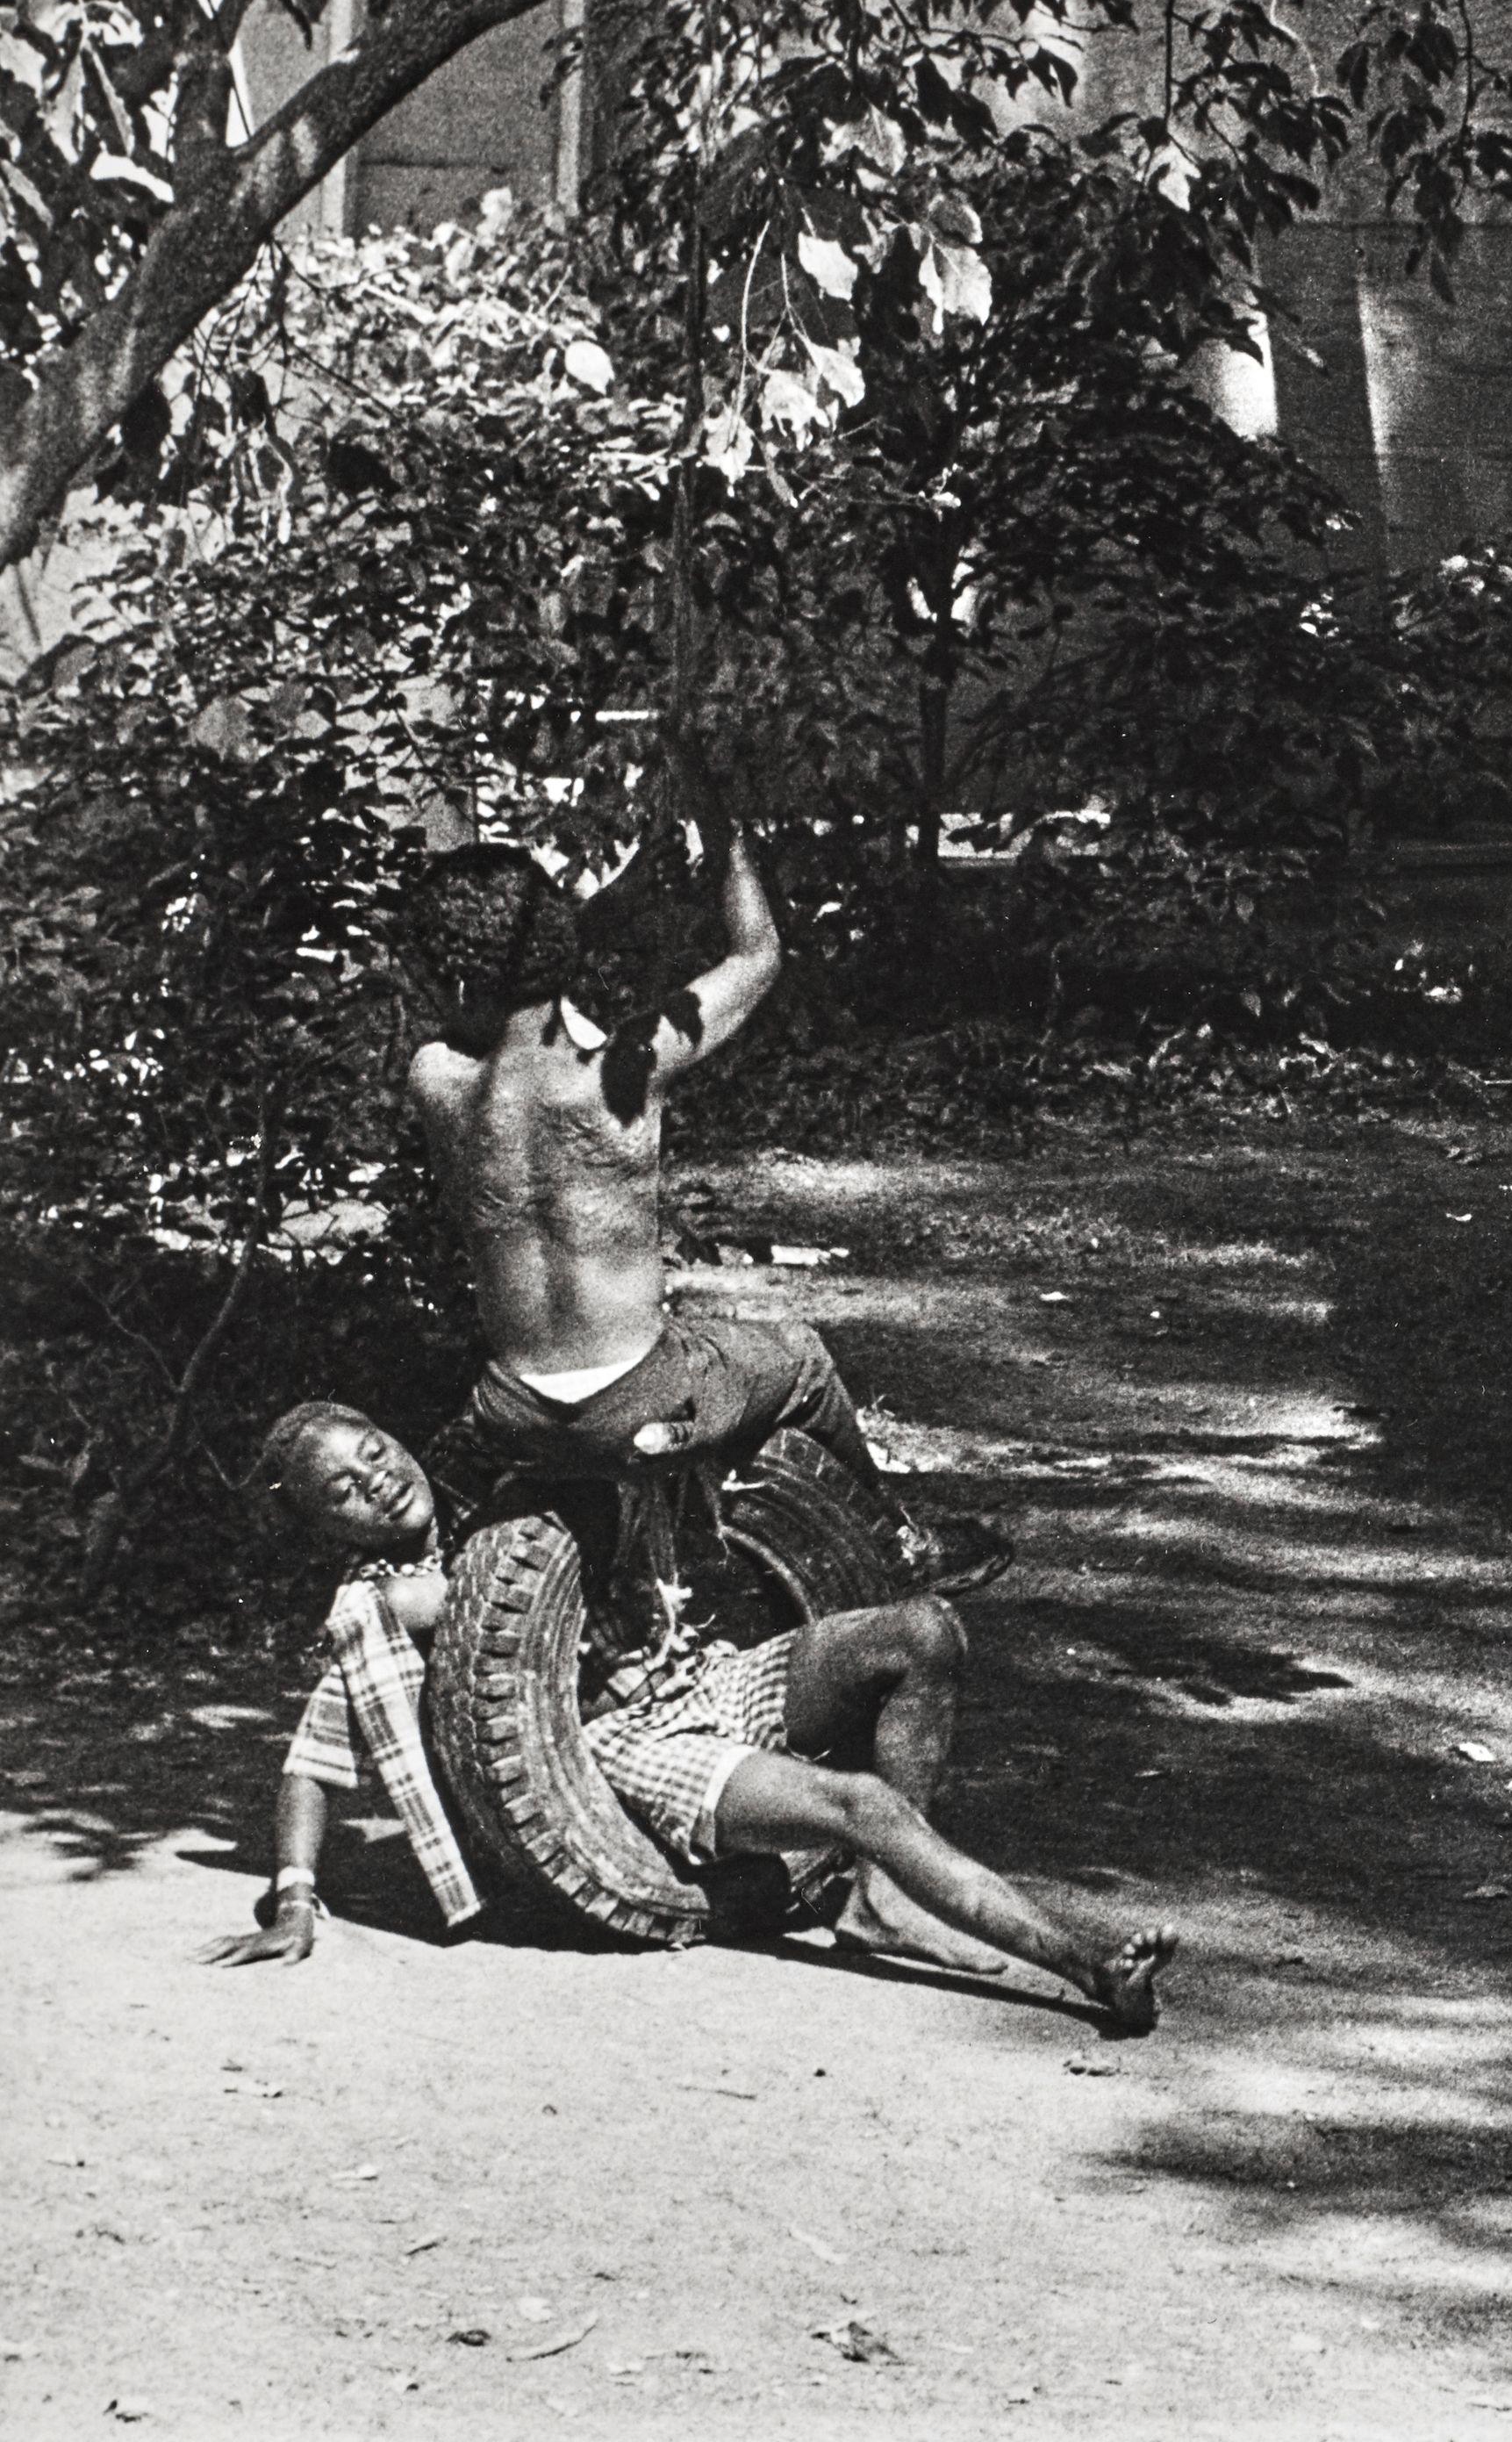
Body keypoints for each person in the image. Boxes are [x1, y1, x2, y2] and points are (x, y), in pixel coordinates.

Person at [205, 1401, 1175, 2032]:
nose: (375, 1478)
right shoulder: (381, 1612)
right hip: (630, 1745)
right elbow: (313, 1761)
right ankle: (1089, 1971)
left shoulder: (489, 1495)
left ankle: (876, 1902)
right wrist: (293, 1896)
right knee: (859, 1802)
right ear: (322, 1523)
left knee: (923, 1631)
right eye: (344, 1486)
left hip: (701, 1675)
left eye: (375, 1448)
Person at [391, 815, 991, 1592]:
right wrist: (730, 837)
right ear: (556, 951)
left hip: (512, 1412)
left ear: (456, 981)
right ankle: (898, 1543)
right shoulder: (625, 1068)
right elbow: (757, 954)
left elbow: (495, 1028)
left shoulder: (436, 1080)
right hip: (639, 1398)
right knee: (799, 1356)